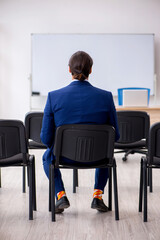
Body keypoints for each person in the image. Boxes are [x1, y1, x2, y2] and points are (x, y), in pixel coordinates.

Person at [40, 51, 120, 214]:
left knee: (47, 156)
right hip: (99, 158)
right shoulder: (106, 97)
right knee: (108, 151)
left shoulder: (53, 97)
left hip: (64, 157)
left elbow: (46, 138)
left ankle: (60, 195)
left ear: (69, 70)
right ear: (91, 70)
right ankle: (97, 196)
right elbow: (115, 136)